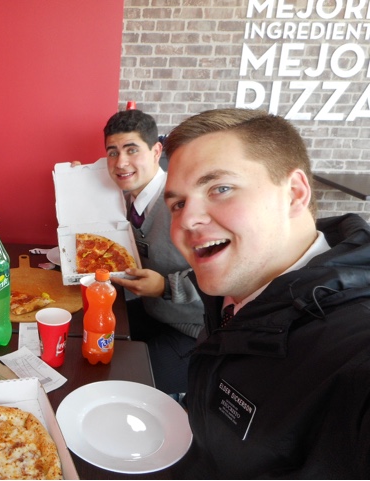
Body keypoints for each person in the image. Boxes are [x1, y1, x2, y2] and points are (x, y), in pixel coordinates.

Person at [163, 108, 370, 478]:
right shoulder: (234, 288)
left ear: (294, 194)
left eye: (220, 188)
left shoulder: (357, 354)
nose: (187, 221)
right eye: (178, 204)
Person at [93, 109, 204, 395]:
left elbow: (219, 271)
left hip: (195, 331)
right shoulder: (128, 198)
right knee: (90, 339)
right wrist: (80, 183)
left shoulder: (185, 204)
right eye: (113, 152)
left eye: (132, 150)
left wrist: (165, 287)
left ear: (156, 151)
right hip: (152, 312)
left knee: (122, 382)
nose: (121, 162)